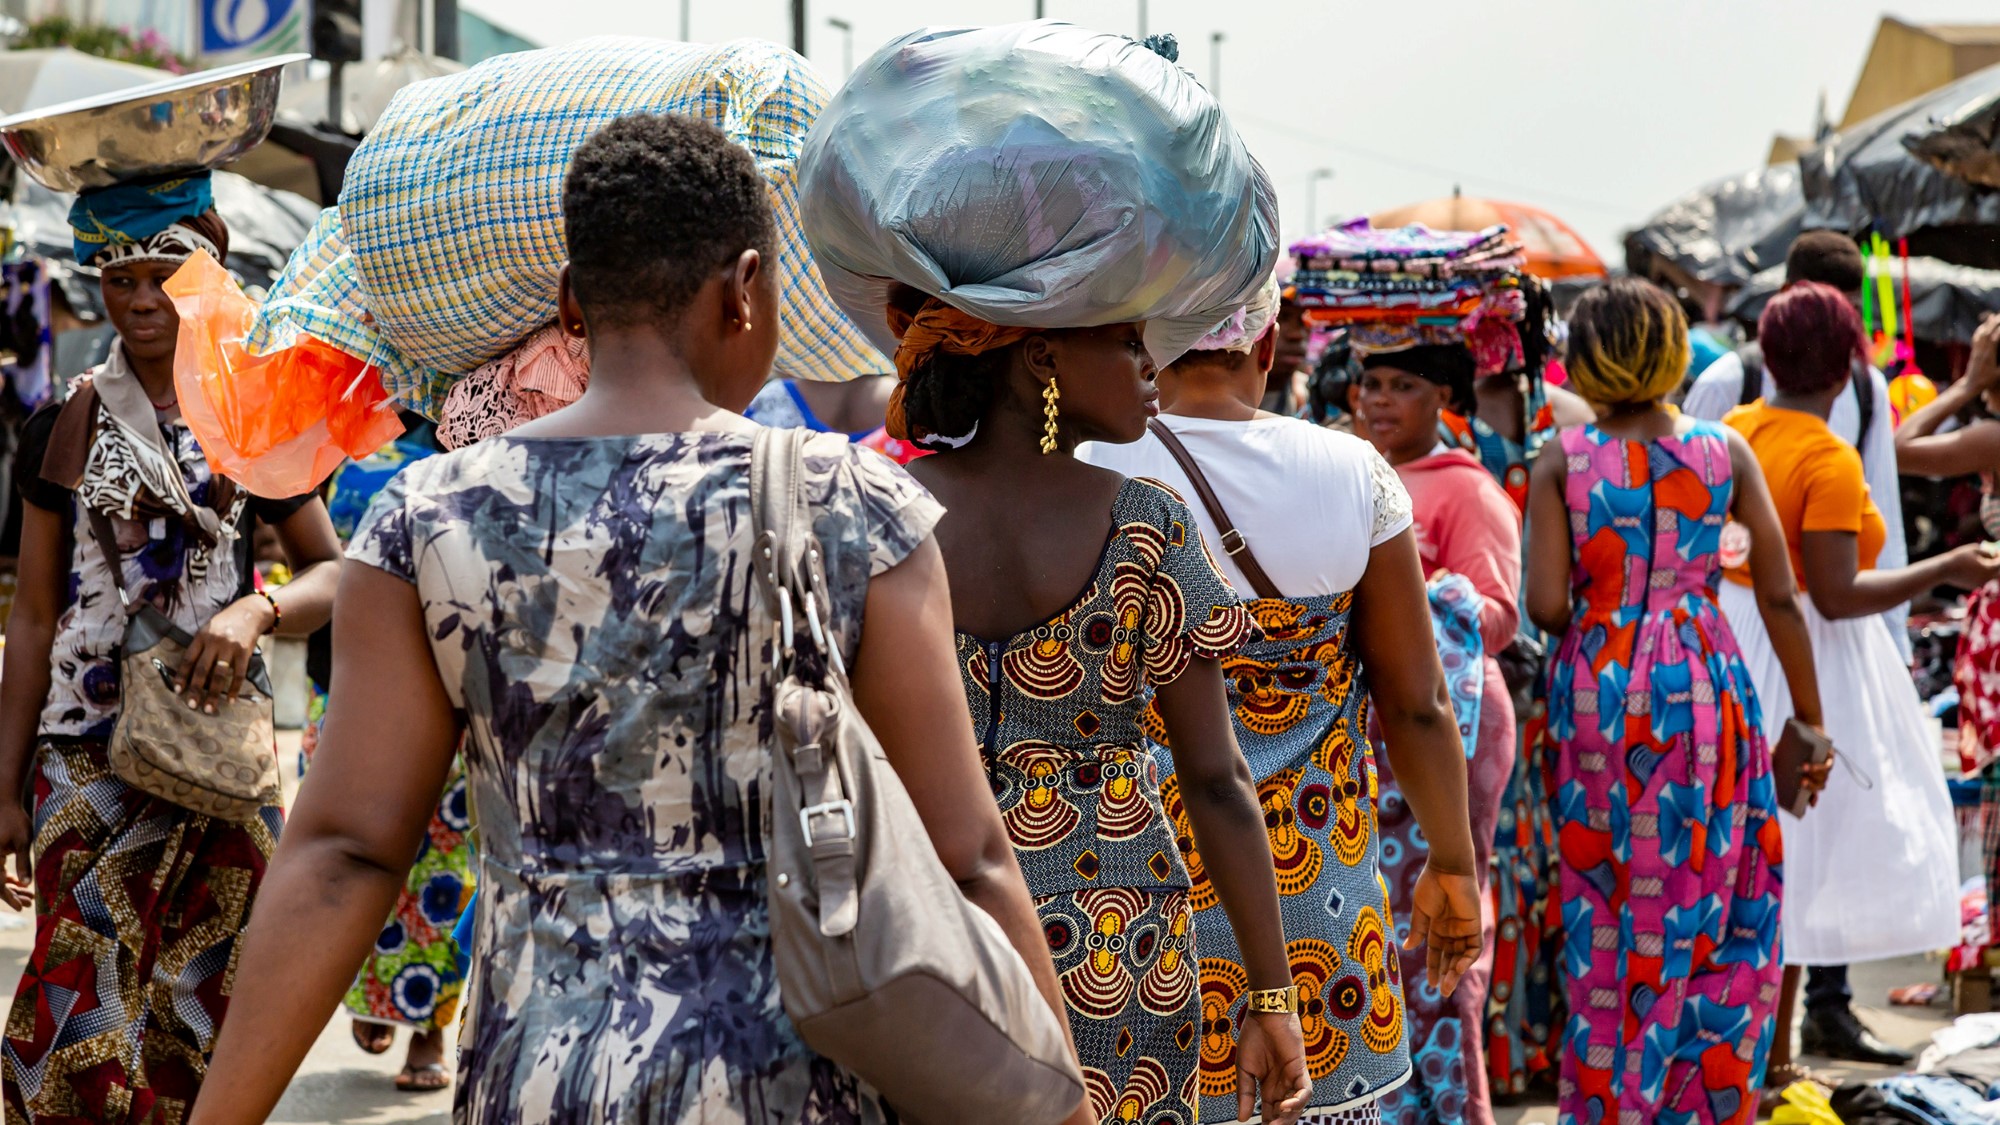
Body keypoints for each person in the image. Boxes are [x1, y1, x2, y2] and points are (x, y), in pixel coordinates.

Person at [186, 113, 1073, 1124]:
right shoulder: (853, 505)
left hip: (543, 1079)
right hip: (797, 1082)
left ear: (570, 300)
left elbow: (344, 851)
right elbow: (969, 858)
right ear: (744, 290)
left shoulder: (428, 517)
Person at [1080, 285, 1484, 1125]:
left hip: (1140, 905)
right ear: (1266, 344)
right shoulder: (1352, 471)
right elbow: (1417, 704)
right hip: (1319, 914)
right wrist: (1453, 860)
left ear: (1150, 338)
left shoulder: (1092, 471)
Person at [0, 175, 344, 1122]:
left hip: (218, 761)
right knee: (74, 1016)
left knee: (203, 1011)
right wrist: (2, 786)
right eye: (122, 280)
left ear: (207, 274)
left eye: (165, 275)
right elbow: (33, 617)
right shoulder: (60, 420)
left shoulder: (249, 413)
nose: (144, 299)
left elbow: (335, 574)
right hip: (85, 754)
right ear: (96, 288)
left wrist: (255, 613)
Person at [1525, 277, 1825, 1124]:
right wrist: (1809, 720)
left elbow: (1545, 605)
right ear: (1670, 350)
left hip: (1599, 691)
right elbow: (1776, 594)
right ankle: (1699, 1095)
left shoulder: (1563, 457)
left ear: (1582, 360)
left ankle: (1612, 1095)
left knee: (1604, 896)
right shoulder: (1725, 451)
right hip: (1703, 690)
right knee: (1718, 883)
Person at [1721, 282, 1976, 1077]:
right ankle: (1768, 1057)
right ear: (1847, 370)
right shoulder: (1825, 455)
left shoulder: (1734, 429)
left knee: (1758, 855)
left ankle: (1761, 1052)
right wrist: (1950, 565)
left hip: (1736, 638)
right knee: (1802, 851)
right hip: (1809, 658)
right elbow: (1834, 591)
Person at [1349, 342, 1521, 1125]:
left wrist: (1396, 592)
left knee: (1442, 937)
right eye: (1371, 384)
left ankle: (1458, 1108)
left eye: (1403, 387)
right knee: (1374, 940)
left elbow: (1495, 613)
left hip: (1448, 730)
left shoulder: (1467, 491)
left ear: (1443, 396)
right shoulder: (1347, 468)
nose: (1381, 401)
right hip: (1371, 736)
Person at [306, 417, 468, 1093]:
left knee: (446, 854)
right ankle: (372, 991)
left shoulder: (484, 435)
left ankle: (429, 1023)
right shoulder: (343, 428)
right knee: (349, 838)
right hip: (346, 671)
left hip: (448, 669)